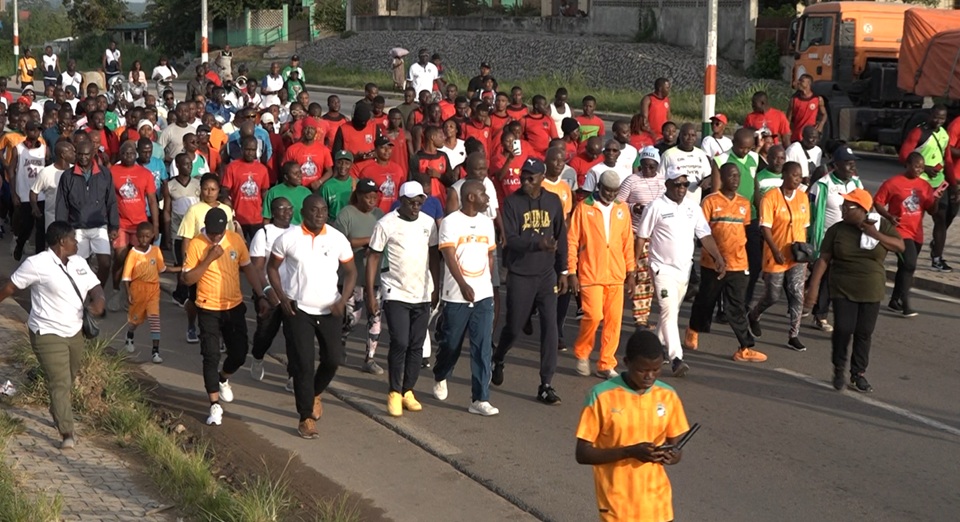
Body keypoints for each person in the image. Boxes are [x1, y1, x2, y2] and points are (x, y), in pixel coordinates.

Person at [0, 221, 106, 449]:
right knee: (59, 381)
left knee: (68, 376)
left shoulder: (79, 262)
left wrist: (99, 301)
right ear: (62, 242)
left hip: (75, 331)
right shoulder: (37, 264)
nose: (77, 242)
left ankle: (56, 408)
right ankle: (67, 431)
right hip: (46, 332)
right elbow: (11, 287)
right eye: (73, 238)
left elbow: (95, 286)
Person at [575, 329, 690, 522]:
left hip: (659, 506)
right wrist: (629, 452)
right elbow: (582, 453)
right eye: (642, 370)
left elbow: (676, 448)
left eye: (656, 370)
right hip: (618, 507)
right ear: (627, 363)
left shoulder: (668, 395)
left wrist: (672, 455)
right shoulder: (601, 396)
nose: (649, 376)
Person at [269, 195, 355, 438]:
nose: (320, 214)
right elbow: (272, 268)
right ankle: (305, 417)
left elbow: (350, 271)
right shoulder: (288, 238)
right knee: (303, 364)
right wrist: (282, 298)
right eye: (314, 210)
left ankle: (315, 393)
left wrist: (343, 299)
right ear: (303, 212)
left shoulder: (337, 238)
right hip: (298, 310)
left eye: (324, 209)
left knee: (333, 360)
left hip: (330, 309)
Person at [805, 189, 904, 393]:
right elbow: (824, 259)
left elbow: (900, 246)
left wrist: (875, 234)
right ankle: (839, 367)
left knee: (864, 332)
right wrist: (813, 288)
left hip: (872, 288)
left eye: (847, 206)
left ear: (861, 209)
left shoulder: (880, 224)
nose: (842, 208)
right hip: (842, 287)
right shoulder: (837, 230)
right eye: (843, 204)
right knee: (843, 328)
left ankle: (858, 374)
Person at [181, 207, 272, 426]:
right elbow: (187, 279)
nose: (215, 236)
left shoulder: (235, 240)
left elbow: (248, 268)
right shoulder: (196, 244)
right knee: (210, 355)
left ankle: (223, 378)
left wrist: (261, 295)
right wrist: (208, 259)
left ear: (225, 228)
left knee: (239, 353)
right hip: (207, 307)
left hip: (234, 306)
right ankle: (214, 405)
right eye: (211, 232)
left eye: (219, 233)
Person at [636, 167, 726, 377]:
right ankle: (676, 358)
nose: (682, 188)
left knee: (669, 314)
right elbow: (642, 236)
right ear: (667, 184)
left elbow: (704, 235)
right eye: (677, 184)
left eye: (685, 184)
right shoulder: (655, 207)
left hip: (684, 270)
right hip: (661, 268)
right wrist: (633, 266)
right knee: (668, 312)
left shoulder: (693, 208)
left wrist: (718, 257)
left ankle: (653, 349)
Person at [492, 159, 566, 404]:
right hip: (521, 274)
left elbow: (561, 237)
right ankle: (499, 356)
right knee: (514, 327)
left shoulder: (553, 201)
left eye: (530, 177)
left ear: (541, 177)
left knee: (550, 327)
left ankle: (546, 383)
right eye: (523, 177)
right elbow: (510, 239)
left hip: (546, 275)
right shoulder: (513, 202)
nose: (525, 181)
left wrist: (564, 271)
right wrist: (537, 244)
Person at [367, 181, 440, 417]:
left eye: (419, 201)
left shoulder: (428, 223)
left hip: (422, 292)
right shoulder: (386, 223)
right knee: (400, 340)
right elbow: (373, 258)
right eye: (411, 202)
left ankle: (408, 390)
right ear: (401, 200)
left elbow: (434, 256)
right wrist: (370, 293)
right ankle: (394, 391)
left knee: (417, 343)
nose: (416, 206)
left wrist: (436, 286)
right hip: (395, 291)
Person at [684, 163, 767, 362]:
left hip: (738, 264)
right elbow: (702, 231)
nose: (736, 180)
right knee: (706, 301)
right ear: (721, 178)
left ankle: (745, 347)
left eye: (738, 176)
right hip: (712, 263)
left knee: (736, 306)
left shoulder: (744, 204)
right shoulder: (710, 201)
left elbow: (744, 231)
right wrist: (714, 254)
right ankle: (694, 329)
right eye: (731, 176)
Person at [432, 180, 499, 415]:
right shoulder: (451, 222)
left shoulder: (487, 222)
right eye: (483, 194)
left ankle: (480, 399)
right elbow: (448, 255)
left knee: (483, 347)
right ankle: (441, 374)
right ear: (470, 197)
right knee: (451, 344)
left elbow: (490, 255)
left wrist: (486, 285)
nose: (487, 198)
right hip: (456, 294)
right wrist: (463, 284)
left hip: (482, 295)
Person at [569, 170, 636, 379]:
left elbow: (627, 243)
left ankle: (606, 363)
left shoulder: (622, 209)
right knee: (593, 315)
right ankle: (582, 353)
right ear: (599, 187)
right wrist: (571, 271)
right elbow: (572, 241)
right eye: (607, 190)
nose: (611, 195)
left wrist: (631, 272)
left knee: (614, 321)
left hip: (616, 275)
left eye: (615, 191)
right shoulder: (584, 208)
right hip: (590, 273)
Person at [747, 162, 810, 351]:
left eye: (799, 176)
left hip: (797, 255)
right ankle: (754, 315)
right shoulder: (771, 197)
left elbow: (804, 226)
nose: (797, 179)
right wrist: (775, 251)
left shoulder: (802, 198)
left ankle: (794, 335)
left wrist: (805, 252)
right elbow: (765, 227)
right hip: (775, 253)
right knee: (773, 296)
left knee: (797, 293)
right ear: (784, 175)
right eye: (794, 175)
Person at [874, 152, 940, 317]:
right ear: (908, 165)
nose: (919, 170)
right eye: (916, 166)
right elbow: (878, 202)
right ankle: (905, 303)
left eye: (922, 167)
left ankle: (894, 300)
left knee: (905, 267)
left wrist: (936, 199)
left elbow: (932, 211)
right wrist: (889, 216)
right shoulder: (893, 183)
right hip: (899, 231)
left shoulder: (924, 186)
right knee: (910, 263)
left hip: (917, 232)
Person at [332, 179, 386, 375]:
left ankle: (370, 358)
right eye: (368, 196)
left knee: (375, 316)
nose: (372, 199)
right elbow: (340, 242)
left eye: (375, 195)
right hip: (352, 277)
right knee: (353, 318)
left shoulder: (380, 215)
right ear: (359, 195)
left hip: (375, 277)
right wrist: (368, 240)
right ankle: (341, 340)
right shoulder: (346, 214)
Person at [809, 146, 863, 331]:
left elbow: (864, 206)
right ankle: (820, 315)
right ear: (836, 165)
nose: (851, 167)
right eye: (848, 164)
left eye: (853, 163)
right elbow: (810, 214)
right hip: (827, 240)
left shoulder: (856, 183)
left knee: (843, 278)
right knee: (827, 278)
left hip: (850, 240)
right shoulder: (822, 185)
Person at [900, 104, 958, 272]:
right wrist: (924, 168)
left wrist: (953, 186)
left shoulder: (944, 134)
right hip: (919, 183)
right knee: (914, 220)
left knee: (941, 219)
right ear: (929, 115)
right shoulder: (918, 132)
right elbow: (904, 156)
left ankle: (937, 258)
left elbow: (947, 161)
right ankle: (909, 257)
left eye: (942, 118)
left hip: (938, 183)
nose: (938, 121)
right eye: (935, 117)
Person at [55, 140, 119, 287]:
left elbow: (111, 201)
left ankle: (97, 291)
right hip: (77, 228)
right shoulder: (67, 176)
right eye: (80, 154)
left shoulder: (104, 174)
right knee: (77, 266)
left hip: (99, 226)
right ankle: (81, 294)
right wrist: (62, 231)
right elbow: (62, 204)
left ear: (93, 154)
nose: (83, 158)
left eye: (86, 154)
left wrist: (114, 226)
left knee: (105, 263)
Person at [248, 197, 296, 391]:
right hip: (270, 294)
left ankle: (293, 374)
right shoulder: (264, 233)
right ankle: (258, 357)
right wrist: (267, 291)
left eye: (289, 208)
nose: (287, 212)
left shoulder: (297, 231)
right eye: (282, 209)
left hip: (292, 294)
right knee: (265, 334)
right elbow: (257, 268)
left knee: (295, 337)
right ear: (273, 211)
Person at [108, 141, 159, 311]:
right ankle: (116, 291)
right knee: (120, 258)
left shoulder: (145, 174)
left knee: (139, 262)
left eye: (131, 153)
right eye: (125, 153)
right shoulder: (112, 172)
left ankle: (135, 294)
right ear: (120, 155)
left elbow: (152, 200)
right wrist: (110, 225)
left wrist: (156, 226)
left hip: (140, 225)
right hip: (120, 224)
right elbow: (108, 199)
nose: (128, 156)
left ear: (136, 154)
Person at [618, 146, 664, 329]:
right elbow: (618, 203)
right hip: (636, 233)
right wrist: (633, 208)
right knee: (637, 274)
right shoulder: (631, 181)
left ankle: (644, 316)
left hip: (657, 236)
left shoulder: (664, 181)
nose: (647, 170)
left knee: (650, 277)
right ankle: (635, 316)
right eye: (644, 166)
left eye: (652, 167)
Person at [121, 221, 179, 364]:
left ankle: (155, 351)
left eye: (147, 236)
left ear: (153, 236)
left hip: (153, 290)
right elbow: (126, 276)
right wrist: (128, 293)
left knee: (154, 320)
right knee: (135, 320)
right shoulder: (133, 253)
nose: (144, 240)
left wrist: (180, 269)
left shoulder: (155, 251)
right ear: (137, 237)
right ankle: (129, 335)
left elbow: (162, 268)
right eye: (141, 237)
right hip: (138, 289)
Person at [10, 121, 47, 260]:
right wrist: (14, 193)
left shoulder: (43, 148)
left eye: (38, 131)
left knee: (41, 227)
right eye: (32, 130)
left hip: (41, 193)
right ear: (26, 131)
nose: (35, 133)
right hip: (24, 192)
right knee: (27, 226)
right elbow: (11, 170)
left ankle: (39, 256)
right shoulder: (18, 149)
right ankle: (20, 244)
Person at [221, 136, 270, 242]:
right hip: (238, 217)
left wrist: (266, 213)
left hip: (257, 218)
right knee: (238, 249)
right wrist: (229, 207)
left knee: (258, 248)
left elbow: (264, 192)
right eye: (247, 149)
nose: (250, 153)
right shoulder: (232, 167)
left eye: (253, 150)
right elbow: (225, 189)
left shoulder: (262, 169)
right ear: (242, 149)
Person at [658, 123, 716, 204]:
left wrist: (707, 181)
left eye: (693, 135)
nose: (690, 138)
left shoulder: (701, 154)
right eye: (686, 135)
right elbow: (660, 180)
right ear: (680, 135)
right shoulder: (668, 155)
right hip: (672, 204)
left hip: (694, 205)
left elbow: (708, 176)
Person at [31, 141, 75, 234]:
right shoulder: (46, 172)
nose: (75, 154)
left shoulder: (75, 171)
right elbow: (34, 191)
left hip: (72, 217)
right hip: (52, 218)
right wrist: (34, 207)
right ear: (63, 155)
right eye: (71, 152)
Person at [264, 161, 312, 226]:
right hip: (280, 231)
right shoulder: (273, 192)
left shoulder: (306, 192)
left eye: (300, 172)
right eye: (295, 173)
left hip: (301, 232)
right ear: (286, 177)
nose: (299, 176)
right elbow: (267, 218)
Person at [787, 74, 826, 140]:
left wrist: (820, 126)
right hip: (796, 135)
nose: (799, 82)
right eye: (799, 80)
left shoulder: (817, 99)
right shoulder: (794, 99)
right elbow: (788, 118)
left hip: (810, 137)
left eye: (802, 81)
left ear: (808, 83)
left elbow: (824, 114)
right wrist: (787, 131)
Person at [320, 150, 356, 221]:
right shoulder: (327, 186)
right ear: (335, 163)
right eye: (339, 162)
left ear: (351, 165)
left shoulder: (356, 183)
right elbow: (322, 209)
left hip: (352, 222)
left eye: (347, 163)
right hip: (333, 224)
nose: (343, 166)